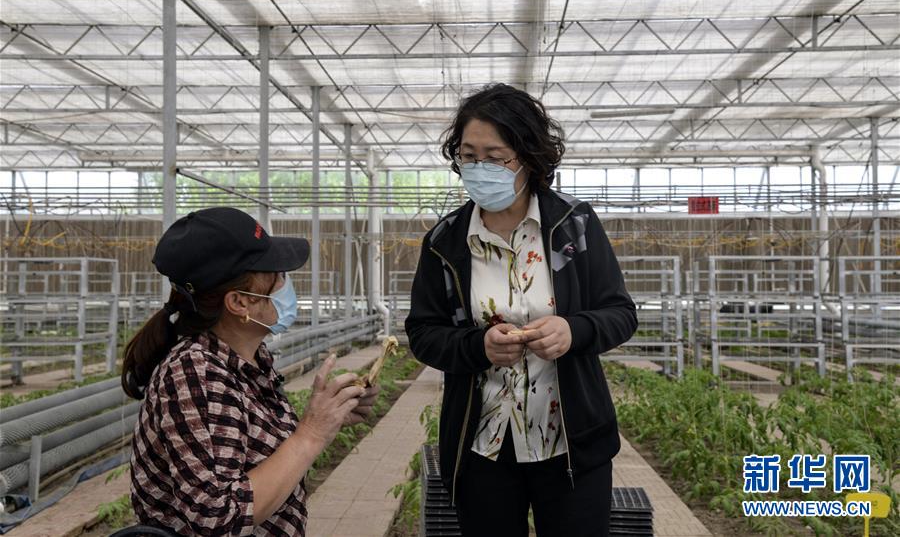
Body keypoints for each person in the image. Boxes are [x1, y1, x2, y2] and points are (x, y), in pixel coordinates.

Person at [405, 84, 638, 537]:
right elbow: (423, 332)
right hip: (483, 446)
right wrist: (478, 346)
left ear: (529, 157)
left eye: (495, 156)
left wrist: (574, 330)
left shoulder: (574, 225)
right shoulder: (446, 242)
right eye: (468, 155)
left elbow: (620, 312)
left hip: (570, 445)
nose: (479, 168)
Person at [122, 207, 377, 535]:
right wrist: (310, 434)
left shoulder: (246, 359)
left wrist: (330, 417)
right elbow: (218, 517)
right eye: (277, 276)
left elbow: (250, 453)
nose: (286, 285)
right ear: (239, 303)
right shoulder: (195, 375)